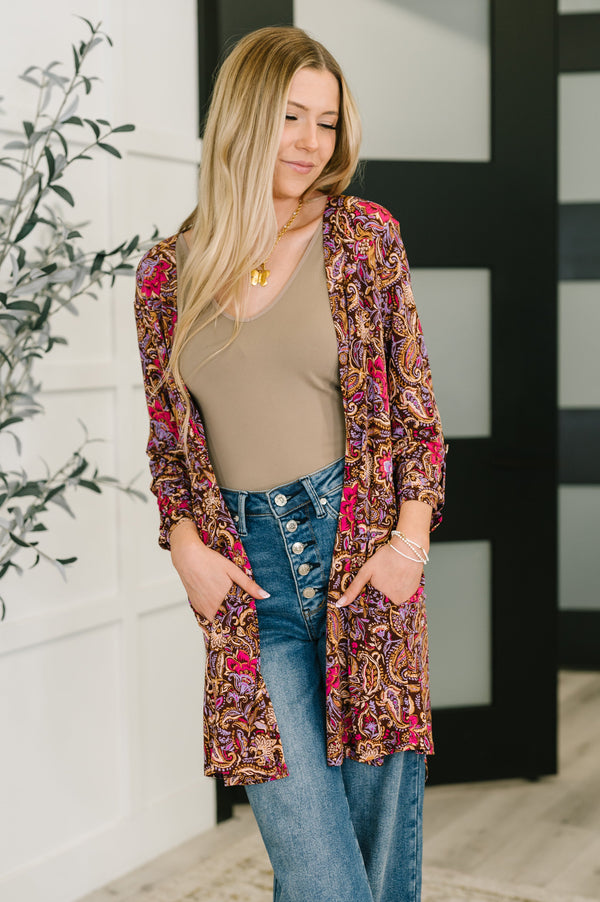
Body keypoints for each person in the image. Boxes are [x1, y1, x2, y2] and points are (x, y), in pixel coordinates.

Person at [134, 25, 445, 902]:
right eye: (291, 117)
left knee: (375, 863)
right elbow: (167, 444)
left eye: (327, 122)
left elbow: (417, 414)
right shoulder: (165, 275)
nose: (312, 142)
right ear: (243, 118)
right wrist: (185, 547)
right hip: (249, 580)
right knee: (315, 867)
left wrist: (408, 548)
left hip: (363, 558)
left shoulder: (363, 239)